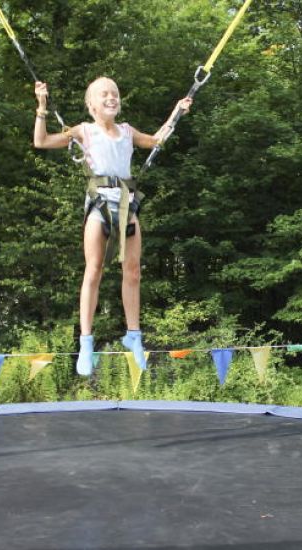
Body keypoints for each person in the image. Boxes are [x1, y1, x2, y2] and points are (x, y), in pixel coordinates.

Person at [33, 77, 192, 375]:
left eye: (115, 94)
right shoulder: (84, 131)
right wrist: (42, 106)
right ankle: (86, 342)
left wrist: (176, 112)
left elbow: (156, 140)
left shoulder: (127, 131)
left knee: (133, 272)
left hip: (126, 204)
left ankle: (133, 336)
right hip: (99, 205)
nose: (111, 98)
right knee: (94, 270)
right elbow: (41, 141)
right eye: (104, 94)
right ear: (91, 104)